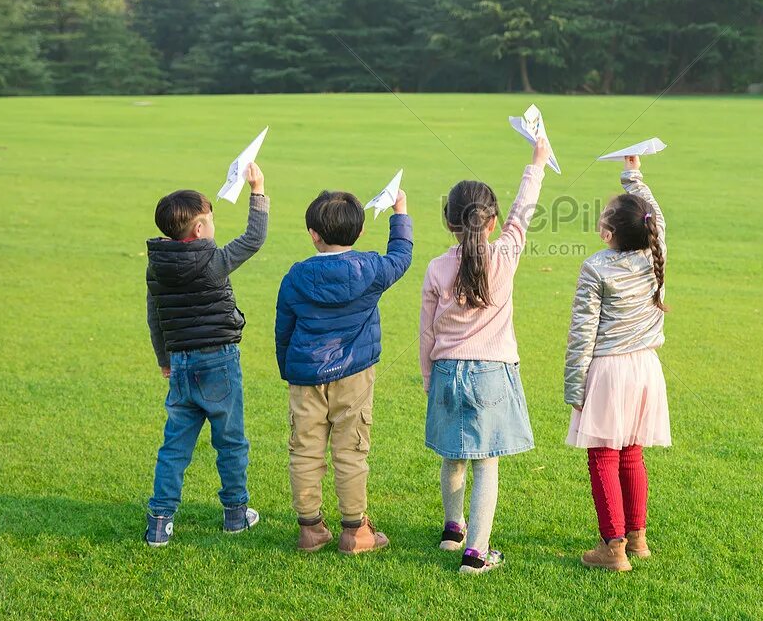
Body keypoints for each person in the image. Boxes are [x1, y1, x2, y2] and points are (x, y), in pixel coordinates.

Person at [419, 136, 550, 574]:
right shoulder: (505, 257)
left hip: (447, 372)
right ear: (490, 222)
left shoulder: (437, 267)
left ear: (449, 223)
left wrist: (428, 380)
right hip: (492, 374)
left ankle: (452, 530)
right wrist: (538, 161)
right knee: (486, 462)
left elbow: (426, 334)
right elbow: (523, 212)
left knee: (453, 455)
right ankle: (476, 552)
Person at [275, 187, 413, 554]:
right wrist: (399, 212)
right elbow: (402, 255)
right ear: (360, 232)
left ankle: (311, 529)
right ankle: (355, 531)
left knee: (304, 451)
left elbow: (283, 328)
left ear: (313, 234)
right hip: (354, 374)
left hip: (305, 374)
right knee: (351, 451)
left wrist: (288, 369)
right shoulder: (371, 269)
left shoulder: (296, 276)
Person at [143, 162, 267, 548]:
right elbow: (254, 237)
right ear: (199, 230)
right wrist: (257, 189)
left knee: (174, 446)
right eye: (210, 222)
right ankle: (235, 515)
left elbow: (155, 316)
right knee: (230, 441)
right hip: (219, 362)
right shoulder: (213, 261)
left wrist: (164, 358)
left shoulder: (157, 266)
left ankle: (160, 523)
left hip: (179, 364)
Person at [564, 154, 671, 572]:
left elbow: (582, 335)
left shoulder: (595, 267)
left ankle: (613, 547)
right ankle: (637, 538)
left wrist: (575, 388)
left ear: (607, 233)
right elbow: (655, 214)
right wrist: (634, 177)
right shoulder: (655, 250)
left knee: (602, 455)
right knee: (631, 453)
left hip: (608, 371)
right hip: (646, 369)